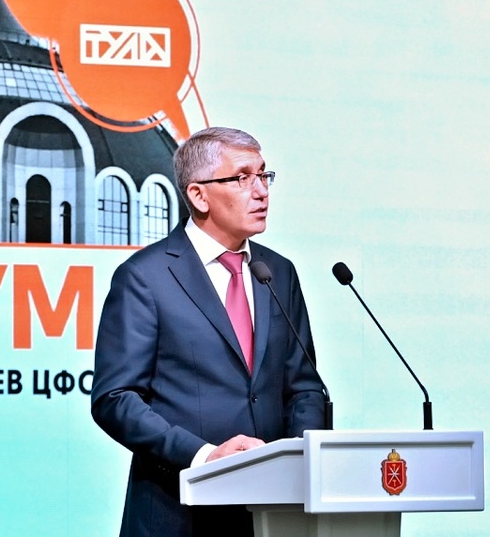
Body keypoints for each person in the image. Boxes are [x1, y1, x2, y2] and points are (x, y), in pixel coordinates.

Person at [90, 126, 327, 537]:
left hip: (272, 514)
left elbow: (304, 386)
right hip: (178, 510)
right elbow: (115, 398)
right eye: (243, 177)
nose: (261, 191)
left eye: (264, 175)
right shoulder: (145, 277)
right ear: (199, 196)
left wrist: (294, 462)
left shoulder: (277, 272)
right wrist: (204, 457)